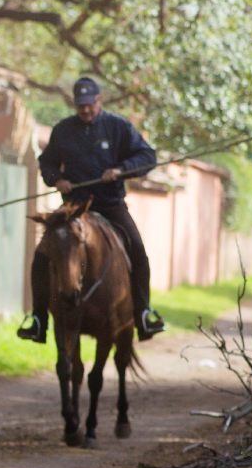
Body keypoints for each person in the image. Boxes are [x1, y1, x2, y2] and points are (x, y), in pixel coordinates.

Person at [18, 77, 165, 343]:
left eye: (89, 104)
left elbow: (147, 156)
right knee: (41, 256)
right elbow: (47, 162)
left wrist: (120, 170)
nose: (85, 110)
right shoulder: (63, 130)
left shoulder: (118, 127)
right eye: (80, 106)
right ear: (75, 105)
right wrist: (56, 179)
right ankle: (39, 319)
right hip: (73, 209)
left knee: (138, 252)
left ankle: (143, 313)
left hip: (110, 205)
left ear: (99, 100)